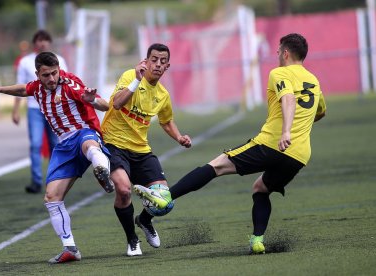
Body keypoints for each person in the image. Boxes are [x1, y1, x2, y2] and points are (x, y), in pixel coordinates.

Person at [134, 33, 327, 254]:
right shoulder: (314, 80)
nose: (277, 56)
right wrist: (299, 128)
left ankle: (165, 197)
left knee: (215, 166)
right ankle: (257, 241)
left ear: (285, 52)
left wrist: (286, 132)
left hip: (273, 144)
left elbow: (289, 99)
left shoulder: (280, 73)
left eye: (278, 52)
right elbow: (319, 111)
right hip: (299, 155)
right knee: (260, 189)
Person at [0, 51, 114, 264]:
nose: (51, 79)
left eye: (54, 73)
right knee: (51, 198)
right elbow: (23, 89)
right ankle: (70, 248)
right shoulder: (37, 88)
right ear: (38, 75)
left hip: (84, 133)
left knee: (90, 146)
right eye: (46, 75)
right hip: (64, 147)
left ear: (59, 69)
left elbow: (105, 105)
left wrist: (92, 101)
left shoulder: (70, 84)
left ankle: (102, 170)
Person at [101, 43, 192, 256]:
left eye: (162, 61)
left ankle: (144, 219)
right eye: (154, 59)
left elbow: (166, 121)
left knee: (165, 202)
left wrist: (180, 137)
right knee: (123, 191)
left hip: (141, 150)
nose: (157, 64)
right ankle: (132, 240)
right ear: (146, 60)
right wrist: (136, 80)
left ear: (167, 66)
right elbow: (116, 104)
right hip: (114, 144)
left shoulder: (162, 95)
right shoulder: (129, 76)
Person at [12, 30, 68, 194]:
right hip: (34, 108)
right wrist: (15, 111)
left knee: (55, 145)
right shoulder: (25, 62)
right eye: (39, 40)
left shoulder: (60, 60)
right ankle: (36, 181)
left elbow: (67, 83)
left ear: (49, 42)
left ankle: (56, 178)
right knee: (35, 144)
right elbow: (20, 87)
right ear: (34, 42)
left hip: (54, 108)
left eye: (45, 40)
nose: (42, 43)